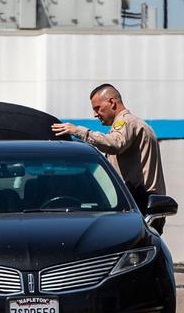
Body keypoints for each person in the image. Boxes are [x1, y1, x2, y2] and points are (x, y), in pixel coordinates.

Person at [50, 83, 168, 233]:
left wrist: (78, 131)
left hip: (140, 201)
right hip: (143, 202)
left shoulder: (126, 122)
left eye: (97, 108)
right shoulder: (134, 124)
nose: (95, 114)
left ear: (112, 102)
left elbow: (114, 143)